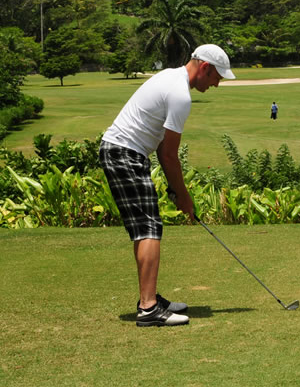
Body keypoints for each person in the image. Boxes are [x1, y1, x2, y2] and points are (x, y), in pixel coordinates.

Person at [100, 44, 236, 327]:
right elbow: (169, 154)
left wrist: (176, 190)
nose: (217, 83)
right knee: (149, 228)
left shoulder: (170, 76)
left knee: (145, 227)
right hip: (125, 153)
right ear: (205, 67)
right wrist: (185, 197)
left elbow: (162, 145)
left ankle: (148, 299)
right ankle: (149, 309)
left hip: (121, 152)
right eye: (216, 77)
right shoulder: (180, 95)